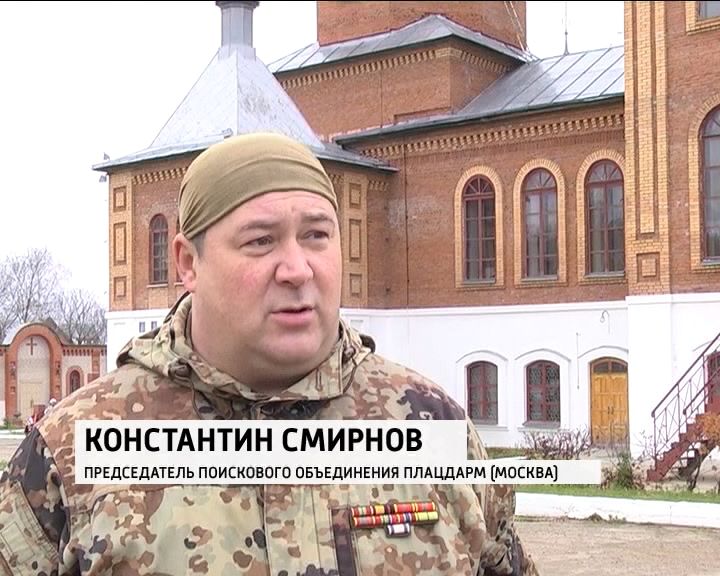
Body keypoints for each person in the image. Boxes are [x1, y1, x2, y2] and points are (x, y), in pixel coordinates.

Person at [0, 133, 540, 575]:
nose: (297, 269)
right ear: (187, 263)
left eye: (317, 236)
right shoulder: (72, 450)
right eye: (261, 241)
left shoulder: (430, 424)